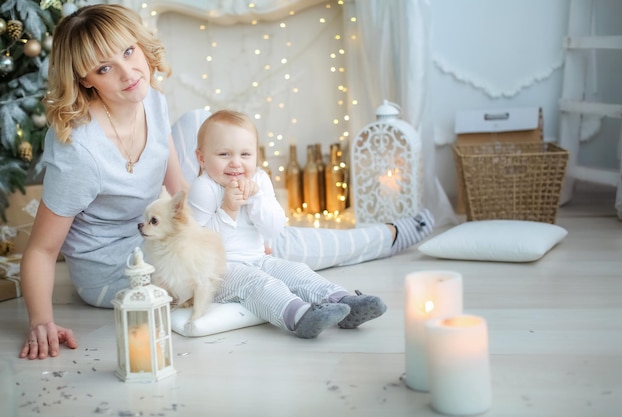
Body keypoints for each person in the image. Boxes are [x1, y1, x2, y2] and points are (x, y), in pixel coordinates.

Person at [18, 4, 434, 359]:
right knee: (244, 262)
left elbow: (181, 198)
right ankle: (380, 243)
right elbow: (41, 249)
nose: (129, 72)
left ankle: (368, 252)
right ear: (86, 79)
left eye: (129, 52)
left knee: (259, 231)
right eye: (105, 67)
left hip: (158, 231)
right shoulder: (79, 153)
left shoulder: (151, 101)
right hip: (118, 265)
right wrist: (41, 321)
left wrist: (218, 227)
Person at [189, 110, 389, 338]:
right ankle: (301, 316)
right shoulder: (203, 188)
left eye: (245, 154)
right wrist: (228, 210)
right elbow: (196, 245)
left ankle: (344, 302)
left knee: (295, 271)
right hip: (219, 273)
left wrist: (257, 199)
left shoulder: (260, 181)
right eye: (224, 154)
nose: (236, 163)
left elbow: (273, 229)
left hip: (257, 259)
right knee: (258, 284)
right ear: (202, 158)